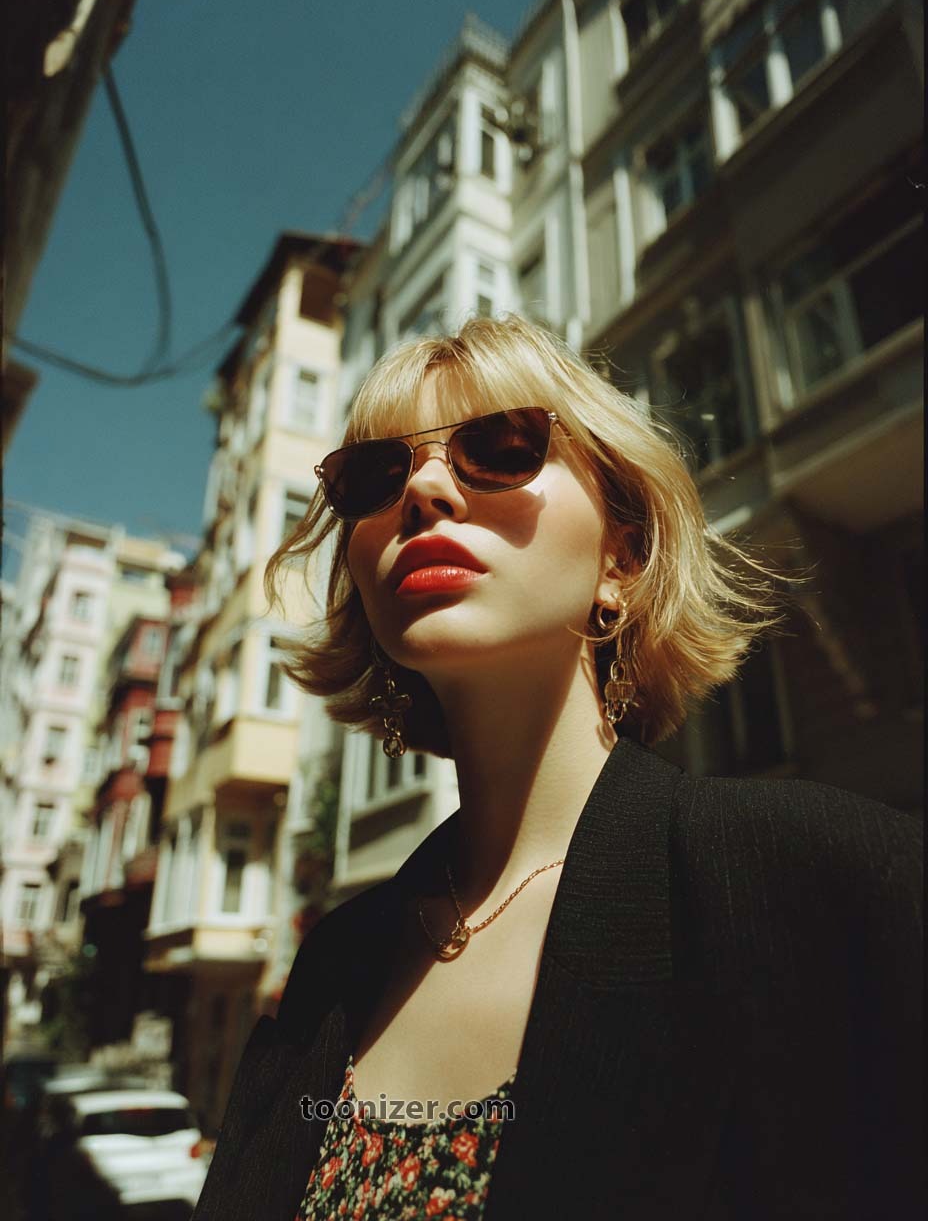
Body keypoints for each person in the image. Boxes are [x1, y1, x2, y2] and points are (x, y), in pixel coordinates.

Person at [193, 315, 922, 1220]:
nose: (423, 489)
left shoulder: (824, 881)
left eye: (499, 447)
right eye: (374, 476)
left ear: (620, 555)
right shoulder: (332, 971)